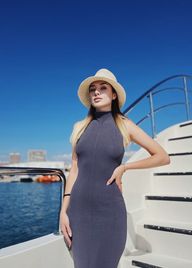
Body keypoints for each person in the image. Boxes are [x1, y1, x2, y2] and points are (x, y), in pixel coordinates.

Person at [59, 68, 170, 268]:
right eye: (93, 89)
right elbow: (74, 169)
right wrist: (63, 211)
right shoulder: (79, 127)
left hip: (110, 212)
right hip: (78, 212)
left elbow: (162, 156)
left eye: (103, 88)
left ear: (114, 94)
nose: (97, 92)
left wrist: (125, 167)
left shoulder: (124, 125)